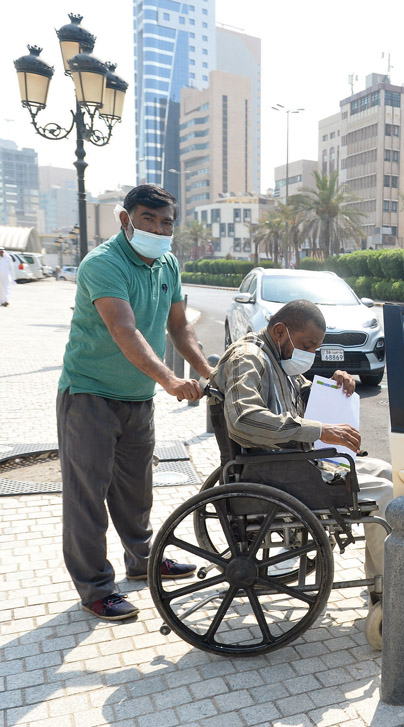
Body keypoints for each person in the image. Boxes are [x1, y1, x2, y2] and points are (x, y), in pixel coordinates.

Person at [58, 184, 212, 621]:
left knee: (135, 489)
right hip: (89, 394)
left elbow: (179, 327)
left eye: (166, 222)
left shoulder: (167, 263)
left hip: (136, 398)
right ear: (125, 219)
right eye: (147, 219)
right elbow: (124, 328)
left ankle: (141, 559)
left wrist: (207, 372)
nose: (158, 229)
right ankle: (95, 588)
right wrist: (169, 379)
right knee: (88, 494)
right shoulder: (103, 264)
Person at [210, 299, 393, 603]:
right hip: (274, 473)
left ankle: (381, 582)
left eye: (314, 349)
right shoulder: (249, 358)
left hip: (286, 463)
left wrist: (336, 384)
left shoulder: (276, 357)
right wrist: (320, 430)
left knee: (384, 471)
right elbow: (244, 419)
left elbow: (301, 393)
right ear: (281, 331)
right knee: (384, 492)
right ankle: (390, 589)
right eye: (307, 345)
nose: (310, 355)